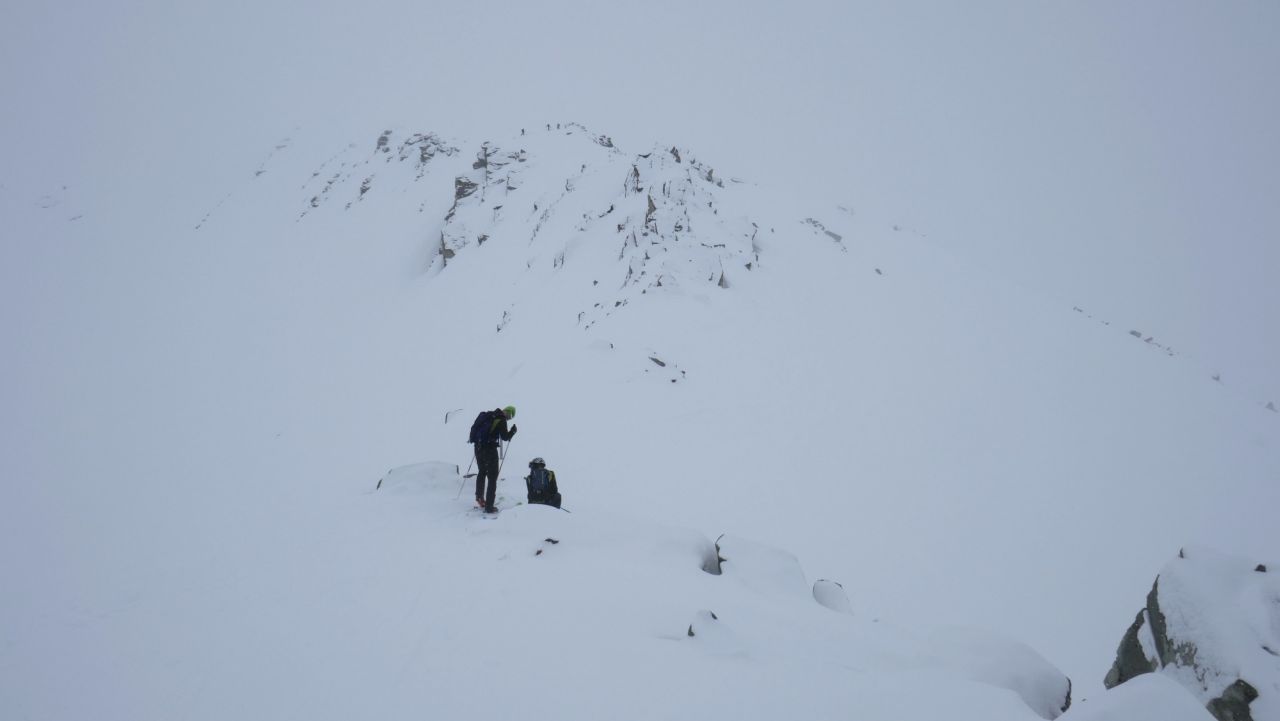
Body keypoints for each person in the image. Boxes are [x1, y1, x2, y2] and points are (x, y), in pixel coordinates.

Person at [470, 405, 517, 513]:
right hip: (489, 449)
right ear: (507, 412)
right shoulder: (501, 419)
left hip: (478, 448)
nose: (508, 418)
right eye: (510, 416)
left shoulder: (489, 415)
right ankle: (489, 506)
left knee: (482, 471)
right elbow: (505, 437)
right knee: (492, 477)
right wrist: (513, 432)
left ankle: (479, 497)